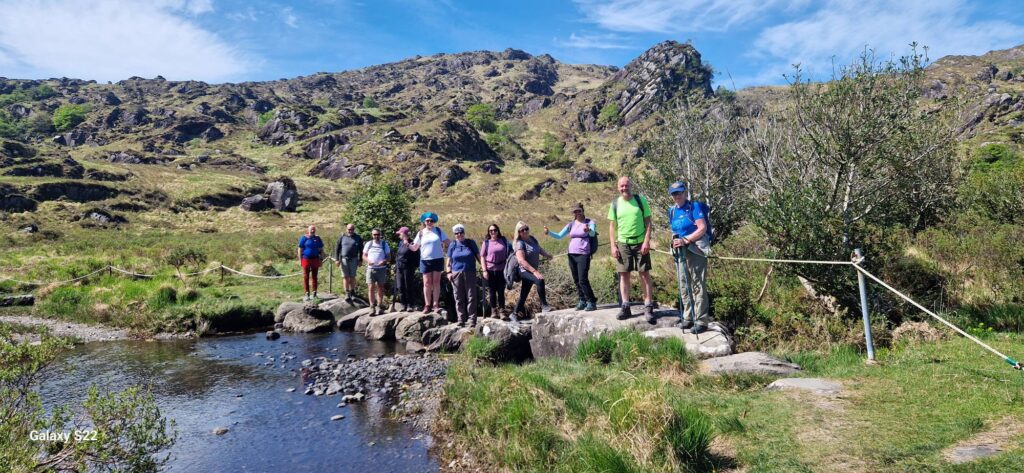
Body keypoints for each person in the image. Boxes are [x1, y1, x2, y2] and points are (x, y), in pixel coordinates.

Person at [608, 176, 655, 322]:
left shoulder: (641, 201)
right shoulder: (615, 204)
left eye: (626, 185)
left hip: (641, 242)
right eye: (621, 186)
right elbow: (612, 226)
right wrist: (613, 245)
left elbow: (648, 222)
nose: (624, 188)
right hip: (623, 243)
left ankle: (648, 307)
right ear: (618, 188)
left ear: (631, 186)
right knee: (624, 274)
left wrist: (647, 241)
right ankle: (625, 306)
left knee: (644, 274)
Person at [668, 181, 711, 333]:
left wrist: (686, 240)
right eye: (674, 194)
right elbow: (675, 230)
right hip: (680, 251)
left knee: (697, 284)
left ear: (685, 192)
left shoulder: (695, 207)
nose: (677, 196)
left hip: (695, 249)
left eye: (679, 192)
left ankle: (701, 321)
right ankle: (688, 317)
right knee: (683, 284)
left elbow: (702, 228)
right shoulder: (672, 211)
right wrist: (675, 241)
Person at [545, 202, 597, 312]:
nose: (577, 213)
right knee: (576, 279)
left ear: (583, 211)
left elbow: (593, 234)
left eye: (579, 210)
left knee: (583, 279)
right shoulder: (571, 224)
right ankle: (582, 300)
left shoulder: (589, 222)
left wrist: (589, 230)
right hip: (571, 254)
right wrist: (549, 232)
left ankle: (591, 301)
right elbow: (559, 236)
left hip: (583, 254)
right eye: (575, 211)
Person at [512, 221, 553, 321]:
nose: (525, 231)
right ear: (519, 232)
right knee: (539, 280)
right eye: (522, 230)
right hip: (524, 271)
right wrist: (534, 271)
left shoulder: (532, 239)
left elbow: (539, 249)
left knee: (524, 293)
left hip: (532, 270)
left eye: (526, 229)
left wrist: (547, 255)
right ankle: (544, 306)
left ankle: (514, 314)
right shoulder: (520, 244)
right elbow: (521, 261)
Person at [411, 212, 449, 313]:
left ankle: (435, 304)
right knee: (427, 283)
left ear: (434, 222)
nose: (429, 222)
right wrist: (406, 244)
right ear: (424, 222)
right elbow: (415, 248)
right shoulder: (421, 233)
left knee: (436, 282)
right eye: (427, 221)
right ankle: (427, 305)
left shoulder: (439, 231)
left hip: (438, 259)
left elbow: (448, 242)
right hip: (425, 260)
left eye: (431, 221)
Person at [446, 224, 480, 327]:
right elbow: (449, 261)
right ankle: (460, 319)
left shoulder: (470, 243)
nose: (459, 235)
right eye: (457, 233)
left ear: (464, 233)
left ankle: (472, 320)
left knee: (471, 296)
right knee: (458, 297)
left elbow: (478, 256)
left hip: (470, 272)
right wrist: (448, 272)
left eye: (461, 232)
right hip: (456, 273)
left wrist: (484, 268)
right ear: (454, 234)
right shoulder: (452, 245)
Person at [480, 223, 509, 320]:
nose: (493, 232)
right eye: (491, 231)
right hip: (490, 270)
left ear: (498, 231)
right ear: (488, 232)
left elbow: (510, 252)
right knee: (492, 292)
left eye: (495, 230)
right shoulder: (486, 243)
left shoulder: (503, 241)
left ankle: (502, 311)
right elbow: (482, 257)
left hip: (502, 269)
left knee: (501, 291)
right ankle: (493, 310)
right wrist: (484, 270)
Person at [362, 228, 391, 315]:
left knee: (380, 287)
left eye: (378, 234)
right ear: (372, 235)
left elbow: (389, 257)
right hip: (371, 269)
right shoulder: (368, 244)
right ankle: (371, 307)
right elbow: (363, 255)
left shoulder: (384, 244)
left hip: (381, 269)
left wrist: (384, 261)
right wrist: (368, 261)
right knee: (370, 287)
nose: (376, 236)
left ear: (380, 235)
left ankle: (379, 306)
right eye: (374, 235)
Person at [334, 224, 363, 303]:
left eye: (352, 229)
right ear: (346, 229)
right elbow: (337, 248)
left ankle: (352, 292)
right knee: (345, 277)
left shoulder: (358, 238)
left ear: (354, 229)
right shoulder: (342, 237)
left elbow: (361, 250)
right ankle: (347, 293)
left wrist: (360, 260)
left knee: (352, 277)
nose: (350, 231)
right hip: (344, 259)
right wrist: (337, 259)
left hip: (354, 259)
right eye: (349, 229)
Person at [394, 226, 420, 312]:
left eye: (400, 233)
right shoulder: (400, 243)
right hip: (399, 266)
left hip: (408, 267)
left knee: (408, 285)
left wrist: (415, 266)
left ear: (404, 234)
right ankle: (403, 304)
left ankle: (410, 304)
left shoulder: (412, 243)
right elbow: (398, 255)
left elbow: (416, 255)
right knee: (400, 285)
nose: (399, 235)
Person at [298, 225, 324, 302]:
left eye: (314, 229)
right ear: (308, 230)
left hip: (315, 259)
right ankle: (307, 293)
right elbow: (300, 249)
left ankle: (315, 293)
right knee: (306, 276)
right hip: (306, 259)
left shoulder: (317, 238)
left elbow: (321, 249)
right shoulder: (304, 238)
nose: (312, 231)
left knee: (315, 277)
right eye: (311, 229)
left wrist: (321, 259)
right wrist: (300, 260)